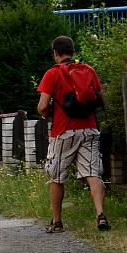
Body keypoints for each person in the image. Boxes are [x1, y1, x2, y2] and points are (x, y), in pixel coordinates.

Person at [36, 35, 109, 232]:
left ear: (55, 53)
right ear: (73, 52)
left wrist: (50, 112)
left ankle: (57, 221)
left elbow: (42, 106)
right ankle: (100, 214)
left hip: (64, 131)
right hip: (90, 129)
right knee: (93, 173)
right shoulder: (88, 70)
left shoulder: (53, 73)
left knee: (57, 176)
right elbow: (102, 99)